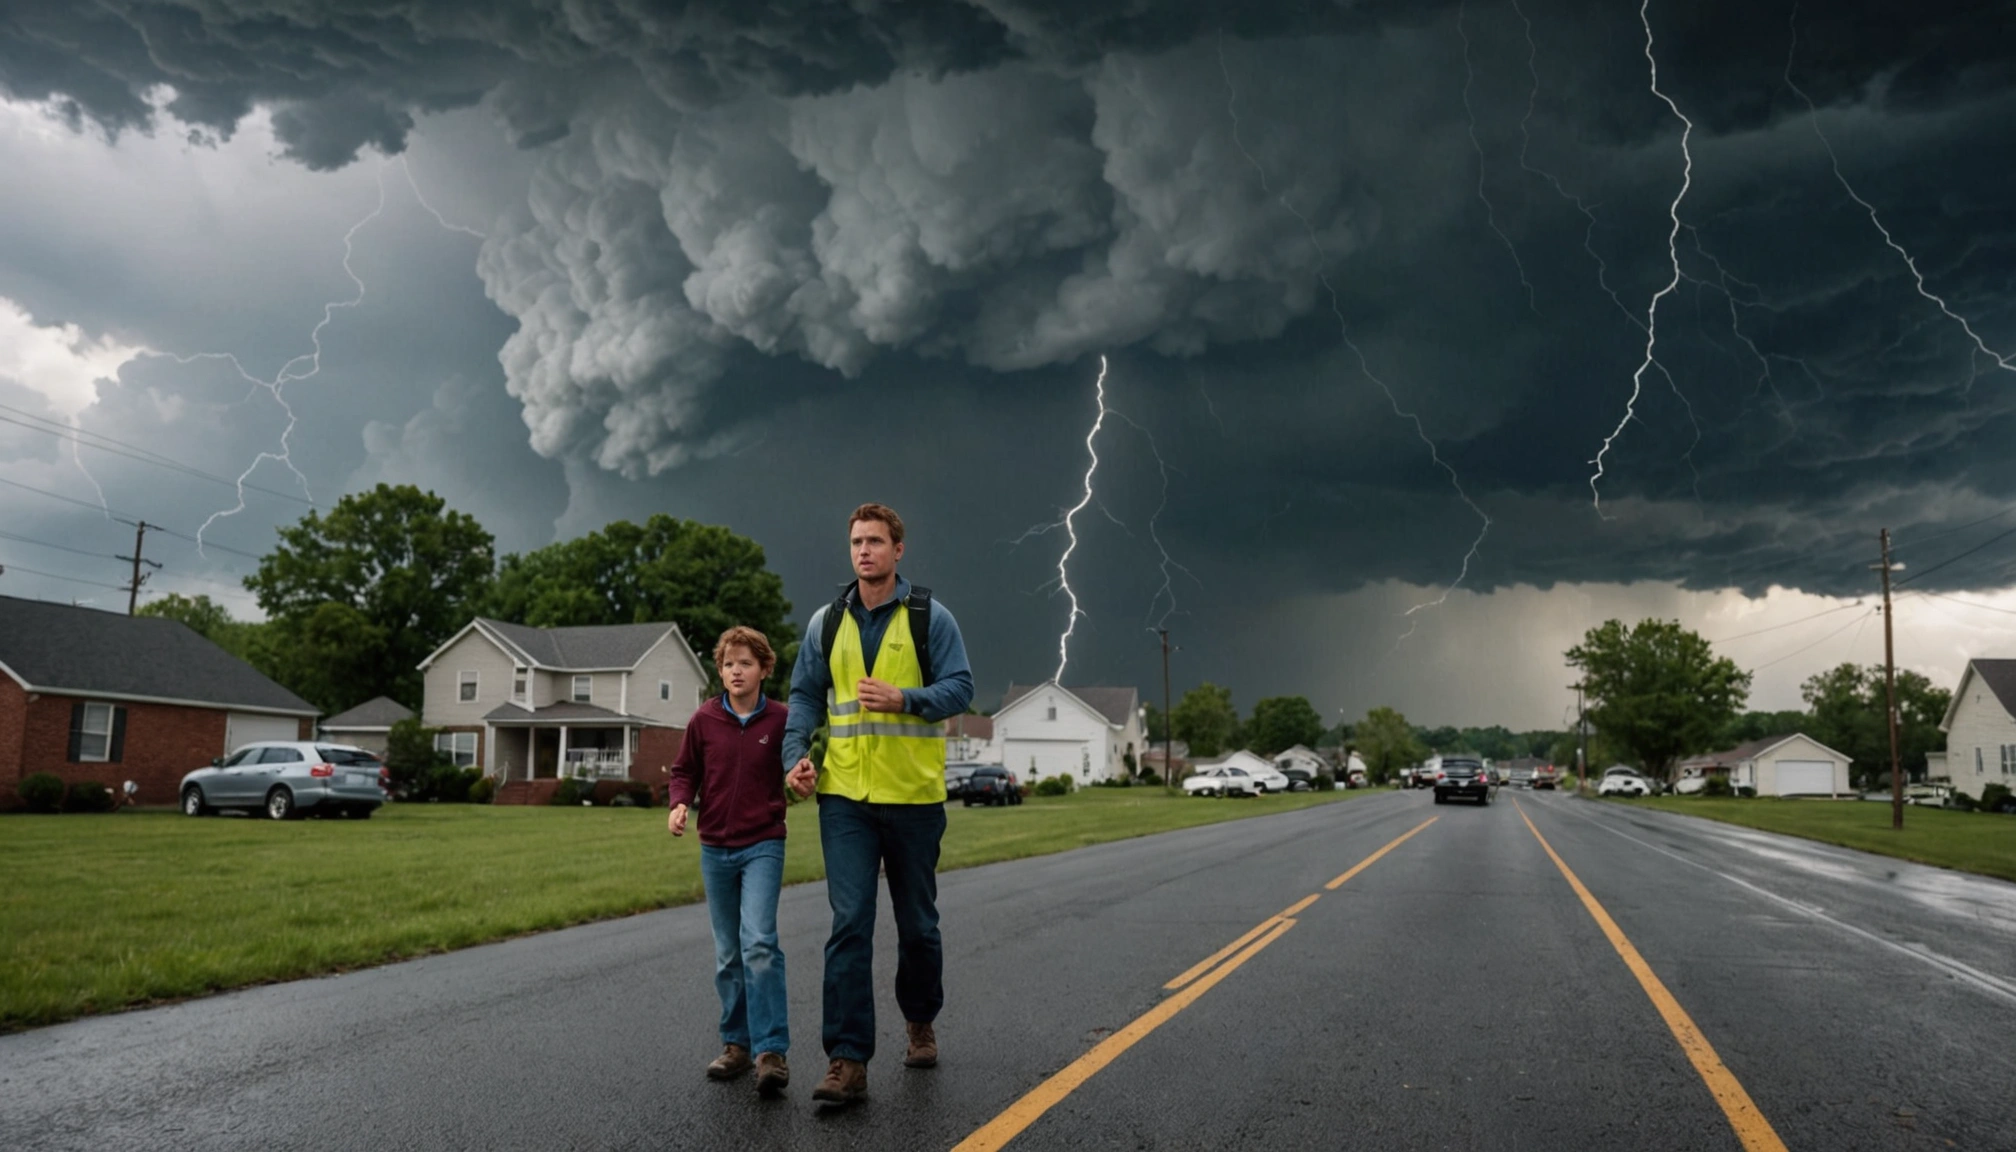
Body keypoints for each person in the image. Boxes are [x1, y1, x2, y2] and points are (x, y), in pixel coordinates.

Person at [783, 503, 973, 1106]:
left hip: (914, 799)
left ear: (898, 550)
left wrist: (906, 698)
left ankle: (920, 1020)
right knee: (849, 925)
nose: (864, 551)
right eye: (856, 542)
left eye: (875, 541)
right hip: (845, 800)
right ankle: (846, 1060)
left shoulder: (929, 618)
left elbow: (961, 688)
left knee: (917, 927)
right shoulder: (826, 622)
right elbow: (805, 696)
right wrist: (797, 755)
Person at [667, 625, 814, 1099]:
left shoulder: (781, 720)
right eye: (729, 663)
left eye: (745, 663)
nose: (736, 671)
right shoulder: (703, 720)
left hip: (763, 844)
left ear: (764, 669)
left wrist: (800, 774)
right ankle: (736, 1044)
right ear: (721, 669)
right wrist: (679, 803)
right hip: (715, 848)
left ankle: (771, 1052)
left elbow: (795, 761)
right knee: (728, 951)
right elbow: (685, 769)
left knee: (759, 944)